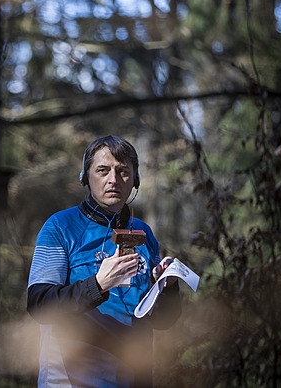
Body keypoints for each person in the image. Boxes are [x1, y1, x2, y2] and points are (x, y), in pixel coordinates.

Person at [27, 135, 181, 388]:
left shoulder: (144, 233)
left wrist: (168, 287)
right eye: (103, 170)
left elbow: (163, 321)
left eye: (123, 172)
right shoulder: (60, 227)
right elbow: (39, 304)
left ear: (135, 180)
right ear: (85, 177)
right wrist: (98, 285)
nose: (113, 180)